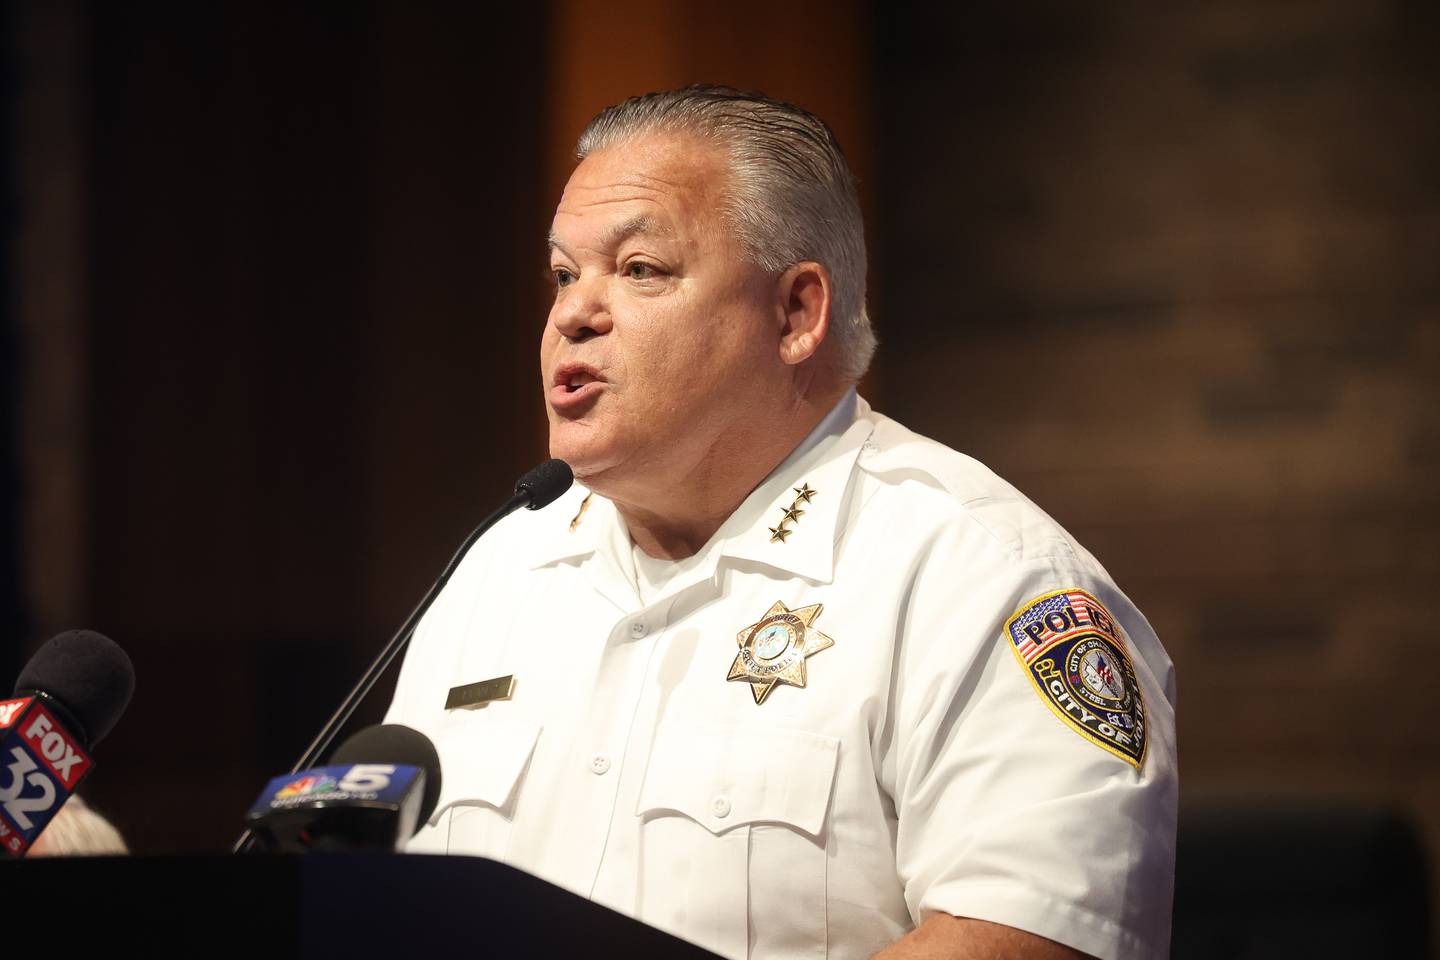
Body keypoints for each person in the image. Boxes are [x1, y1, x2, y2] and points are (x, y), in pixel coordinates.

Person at [384, 85, 1176, 960]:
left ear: (797, 313)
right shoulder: (500, 568)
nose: (573, 313)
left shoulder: (981, 574)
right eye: (566, 275)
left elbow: (1033, 938)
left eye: (640, 269)